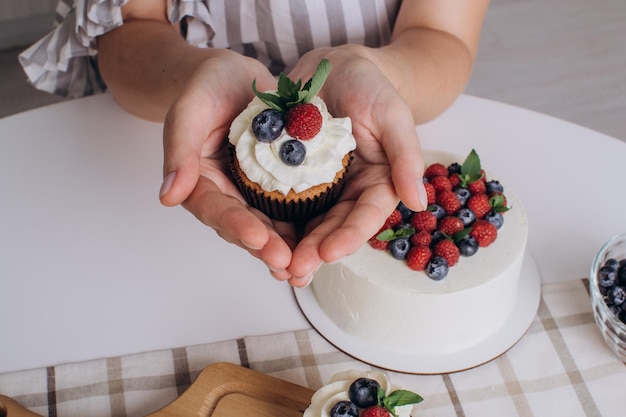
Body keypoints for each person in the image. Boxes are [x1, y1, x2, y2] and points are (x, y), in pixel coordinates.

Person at [19, 0, 490, 287]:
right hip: (148, 172)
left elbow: (440, 36)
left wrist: (381, 74)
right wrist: (193, 75)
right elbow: (127, 29)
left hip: (348, 135)